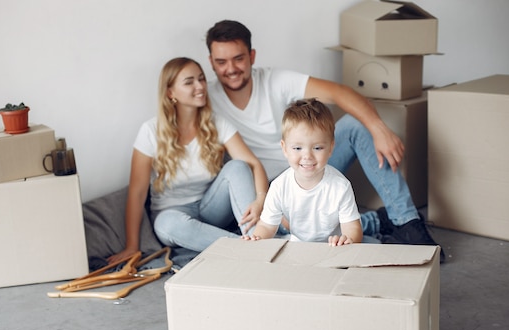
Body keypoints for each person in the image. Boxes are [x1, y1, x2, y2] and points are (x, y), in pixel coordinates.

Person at [204, 20, 444, 261]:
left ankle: (407, 222)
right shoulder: (205, 98)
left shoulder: (275, 80)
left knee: (355, 124)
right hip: (267, 188)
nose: (231, 68)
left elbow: (340, 93)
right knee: (271, 235)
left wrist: (378, 128)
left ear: (252, 56)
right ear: (211, 62)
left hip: (309, 164)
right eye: (221, 62)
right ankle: (372, 222)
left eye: (238, 58)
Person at [107, 57, 268, 264]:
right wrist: (131, 246)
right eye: (189, 81)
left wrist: (260, 200)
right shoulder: (150, 131)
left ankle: (258, 239)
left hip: (211, 208)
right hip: (173, 214)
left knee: (237, 166)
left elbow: (253, 164)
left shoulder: (216, 123)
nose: (200, 86)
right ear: (170, 92)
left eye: (201, 79)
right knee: (167, 225)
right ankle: (250, 248)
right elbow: (137, 194)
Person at [245, 98, 363, 246]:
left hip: (333, 247)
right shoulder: (279, 186)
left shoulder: (341, 186)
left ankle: (375, 223)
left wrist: (348, 239)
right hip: (298, 246)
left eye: (317, 148)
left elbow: (352, 227)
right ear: (284, 148)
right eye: (297, 148)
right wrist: (257, 238)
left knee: (370, 247)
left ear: (331, 148)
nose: (307, 156)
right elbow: (267, 226)